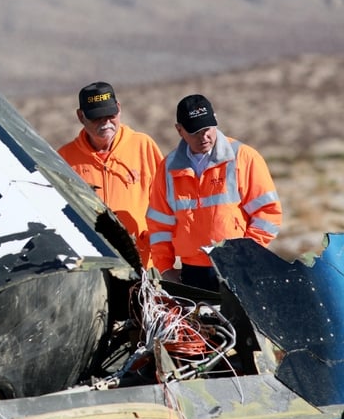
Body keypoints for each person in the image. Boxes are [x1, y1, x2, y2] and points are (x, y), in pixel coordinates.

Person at [146, 94, 282, 291]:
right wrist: (165, 267)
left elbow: (268, 213)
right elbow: (159, 224)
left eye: (207, 129)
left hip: (239, 267)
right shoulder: (168, 168)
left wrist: (246, 255)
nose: (204, 137)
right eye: (195, 132)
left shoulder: (244, 157)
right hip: (192, 273)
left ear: (215, 120)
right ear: (179, 130)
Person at [58, 81, 164, 270]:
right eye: (97, 117)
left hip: (143, 265)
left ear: (119, 109)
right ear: (81, 116)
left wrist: (153, 241)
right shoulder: (65, 158)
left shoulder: (143, 146)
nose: (106, 122)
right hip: (90, 267)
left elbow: (166, 203)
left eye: (111, 115)